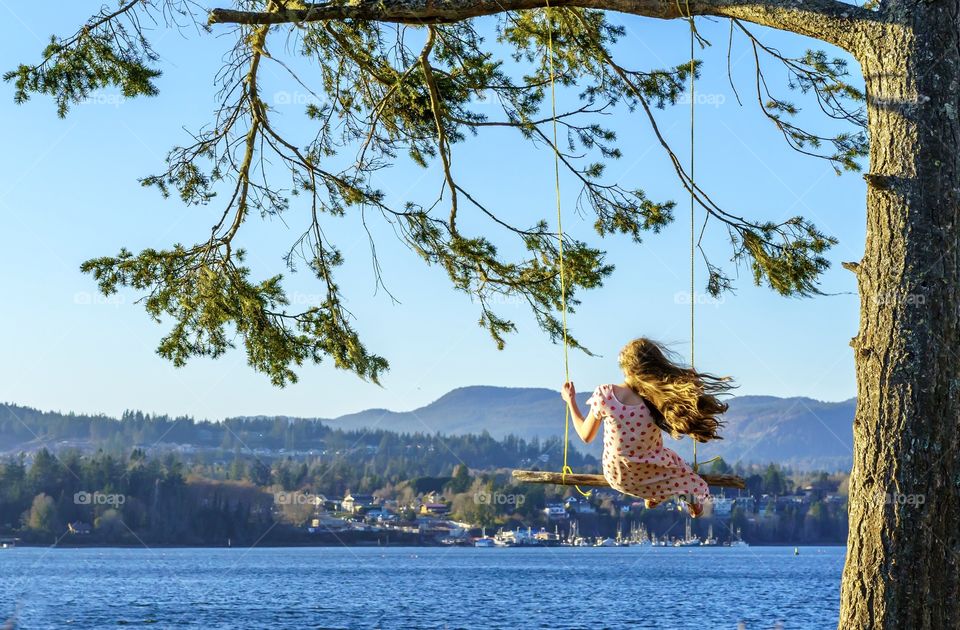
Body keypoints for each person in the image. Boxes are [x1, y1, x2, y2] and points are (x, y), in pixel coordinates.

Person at [560, 337, 733, 517]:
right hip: (650, 471)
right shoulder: (657, 398)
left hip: (617, 475)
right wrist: (689, 382)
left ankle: (654, 495)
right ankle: (681, 498)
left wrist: (571, 401)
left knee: (661, 460)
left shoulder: (605, 394)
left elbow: (585, 436)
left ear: (626, 368)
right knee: (685, 473)